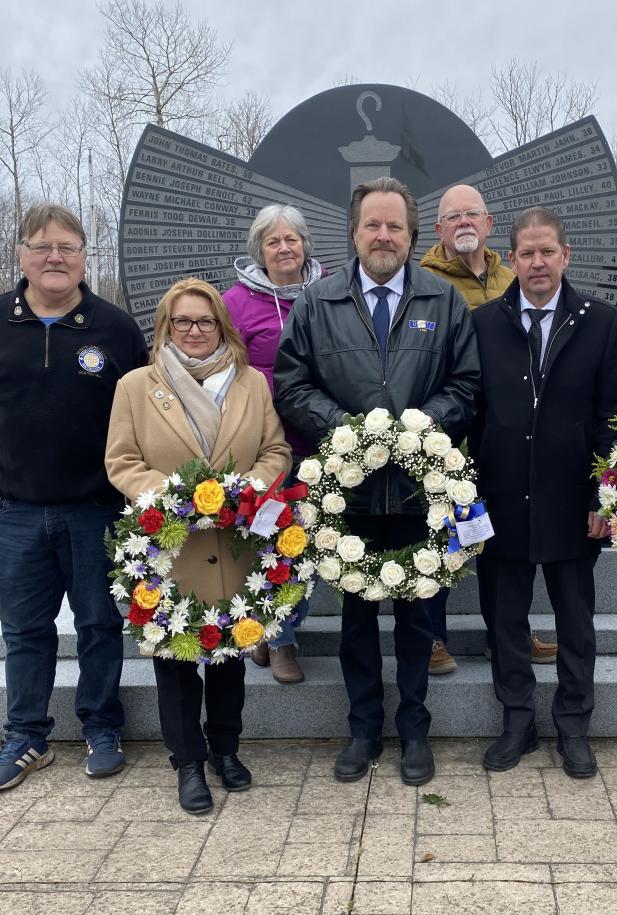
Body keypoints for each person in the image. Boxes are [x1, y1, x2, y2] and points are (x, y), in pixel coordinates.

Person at [274, 177, 480, 786]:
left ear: (412, 234)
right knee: (357, 621)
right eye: (372, 225)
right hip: (348, 495)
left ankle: (415, 727)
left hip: (421, 492)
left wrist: (416, 431)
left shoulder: (444, 302)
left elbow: (467, 386)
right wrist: (347, 433)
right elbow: (292, 383)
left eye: (394, 226)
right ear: (355, 232)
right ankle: (363, 727)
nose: (383, 235)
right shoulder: (318, 303)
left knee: (419, 619)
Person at [0, 203, 147, 791]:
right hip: (13, 511)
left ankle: (101, 725)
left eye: (67, 246)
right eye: (42, 246)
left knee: (98, 623)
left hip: (93, 509)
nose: (55, 257)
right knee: (25, 629)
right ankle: (26, 737)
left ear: (84, 256)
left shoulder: (114, 328)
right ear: (22, 255)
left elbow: (136, 410)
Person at [105, 278, 291, 814]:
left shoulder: (251, 383)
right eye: (182, 321)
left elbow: (275, 448)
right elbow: (122, 461)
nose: (194, 331)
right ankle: (187, 761)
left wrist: (247, 489)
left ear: (222, 328)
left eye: (205, 321)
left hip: (237, 547)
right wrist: (175, 499)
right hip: (171, 548)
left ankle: (226, 750)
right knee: (178, 660)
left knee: (231, 654)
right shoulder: (137, 386)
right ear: (166, 327)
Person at [470, 206, 617, 778]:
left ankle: (574, 725)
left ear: (566, 256)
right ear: (511, 259)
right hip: (501, 498)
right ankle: (517, 721)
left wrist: (602, 495)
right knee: (504, 618)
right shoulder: (484, 322)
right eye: (526, 253)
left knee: (575, 620)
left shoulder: (602, 322)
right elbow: (474, 410)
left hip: (571, 500)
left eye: (547, 251)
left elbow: (613, 414)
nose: (537, 262)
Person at [420, 184, 557, 675]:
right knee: (441, 535)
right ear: (438, 229)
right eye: (452, 215)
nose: (463, 222)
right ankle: (433, 636)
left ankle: (510, 634)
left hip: (508, 437)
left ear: (488, 223)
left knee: (505, 542)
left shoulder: (512, 276)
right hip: (449, 433)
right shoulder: (423, 282)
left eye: (472, 214)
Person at [223, 203, 325, 684]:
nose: (284, 248)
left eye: (292, 239)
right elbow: (224, 374)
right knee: (274, 543)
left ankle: (277, 629)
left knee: (308, 542)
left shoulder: (331, 294)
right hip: (267, 446)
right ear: (259, 251)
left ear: (305, 243)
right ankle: (280, 639)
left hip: (323, 439)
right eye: (273, 242)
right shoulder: (236, 304)